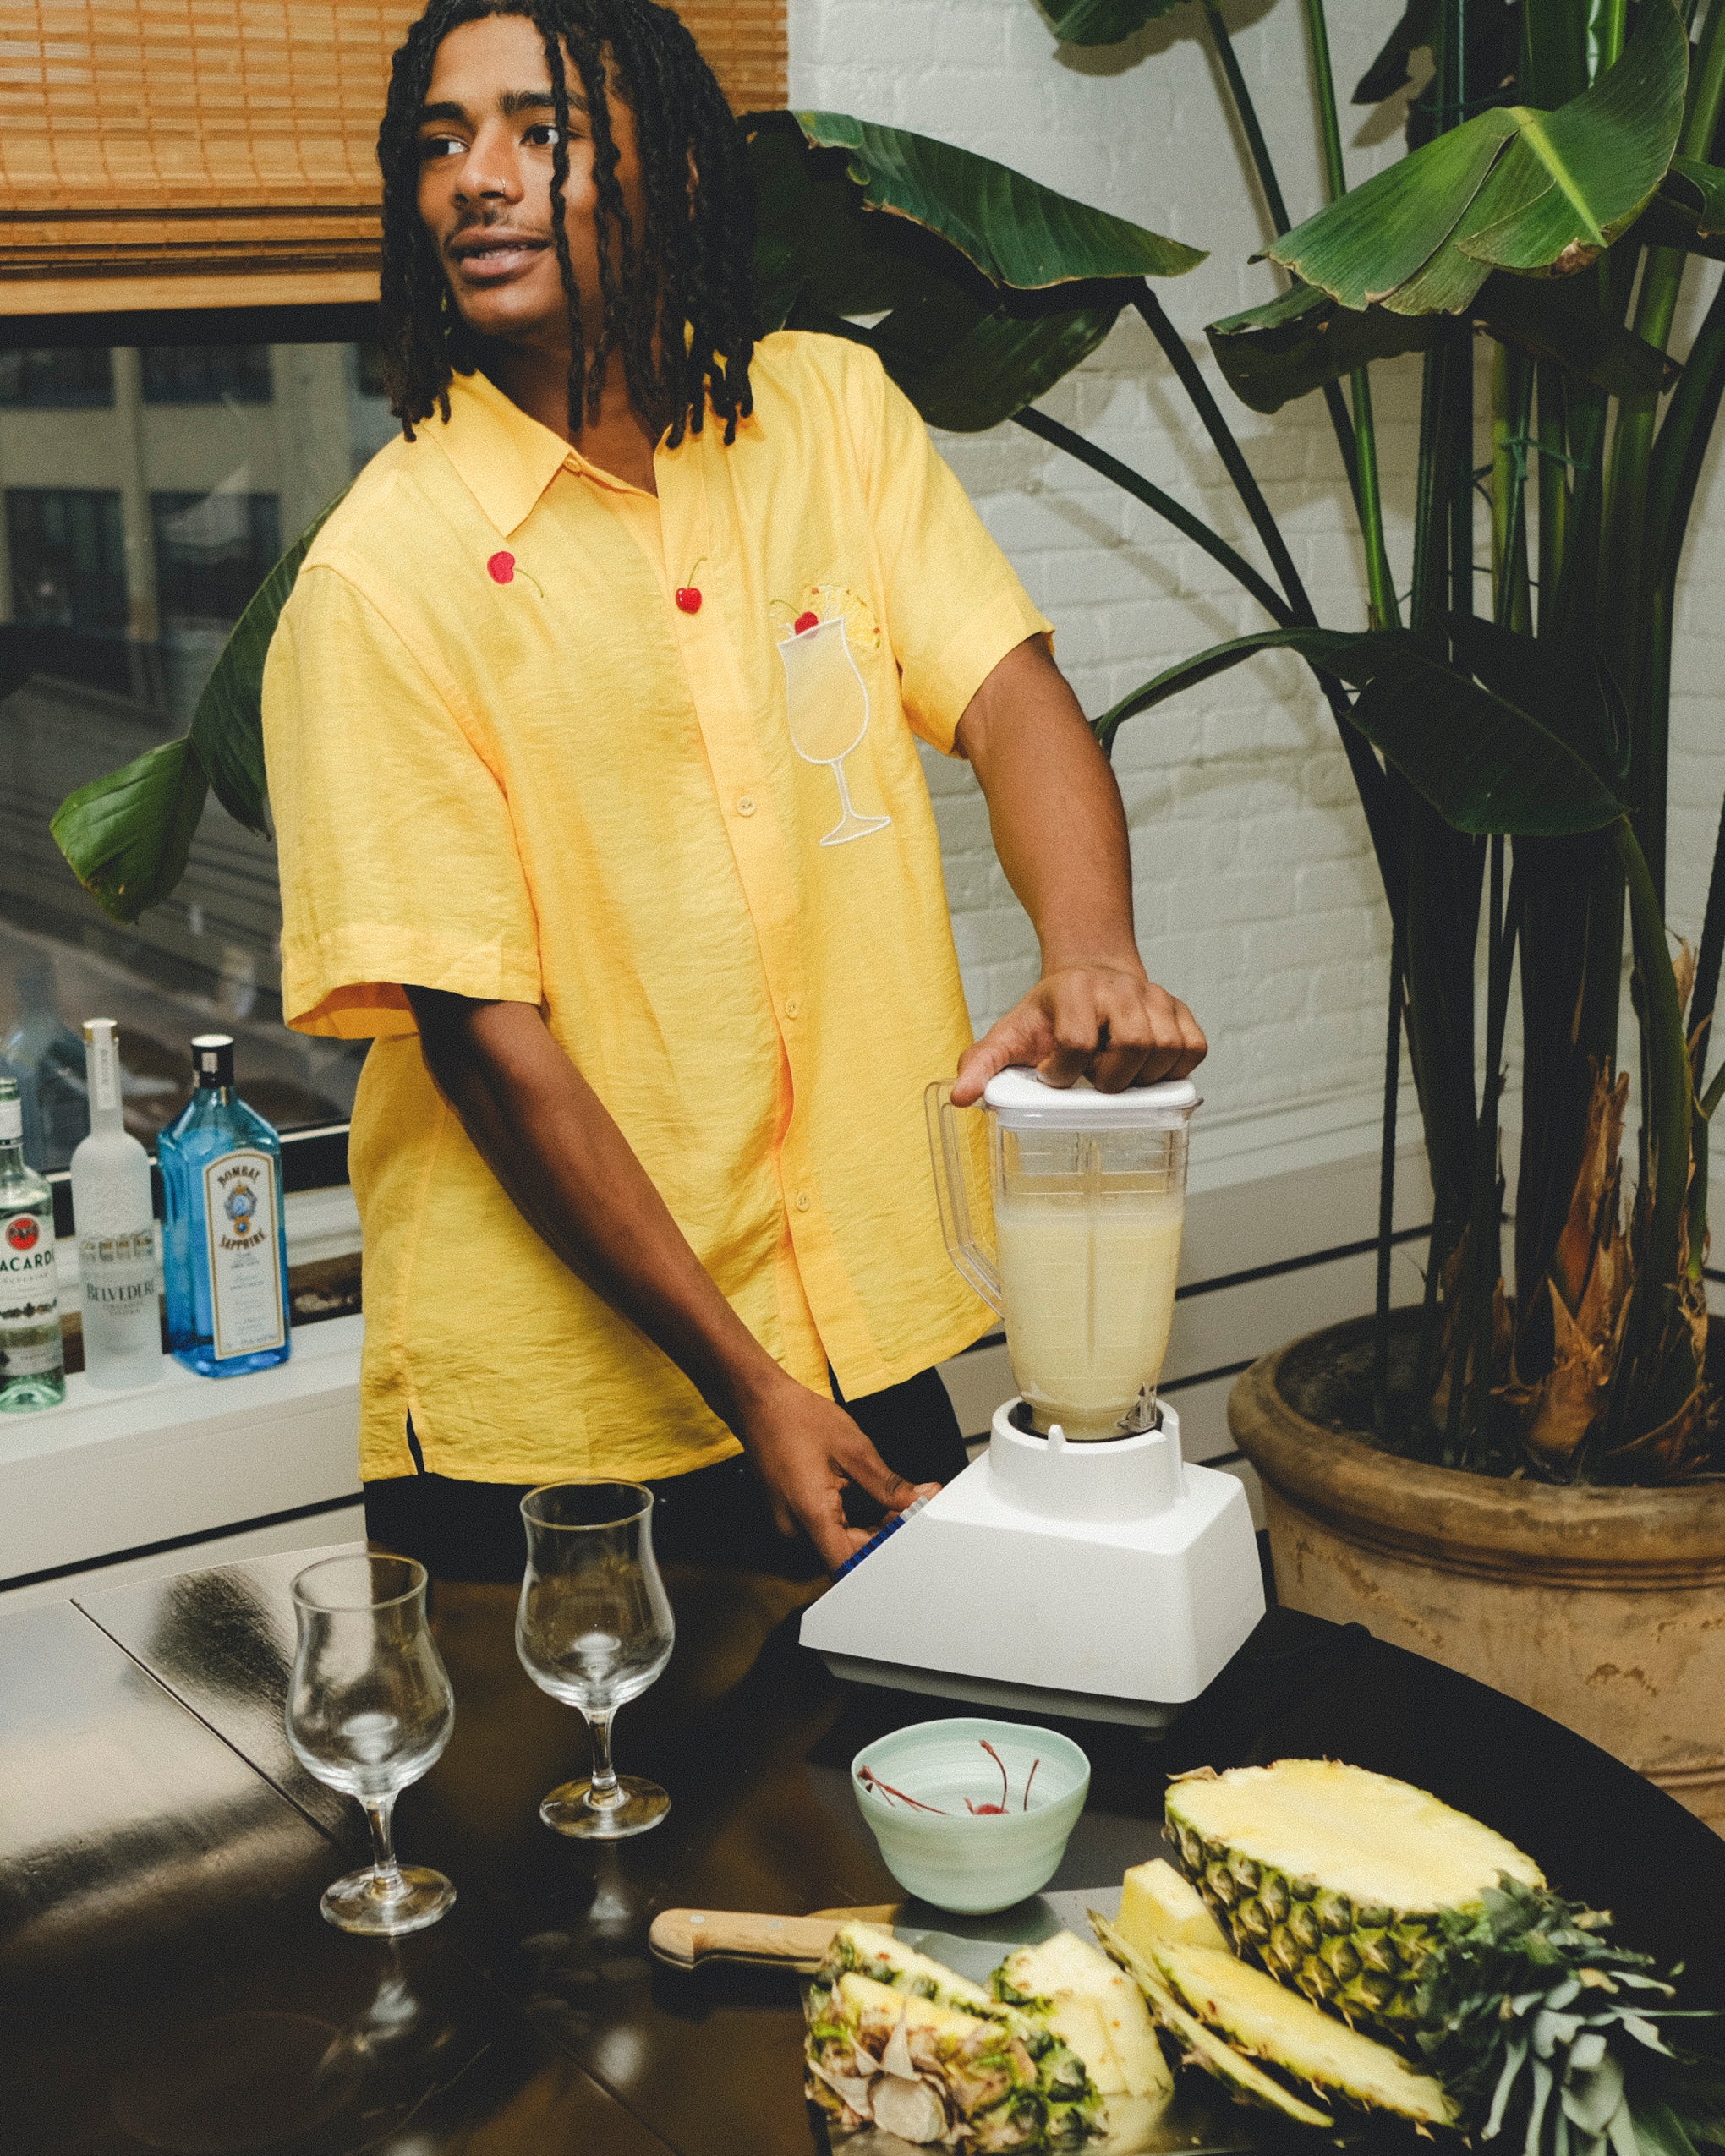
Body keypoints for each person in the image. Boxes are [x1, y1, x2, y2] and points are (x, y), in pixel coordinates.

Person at [261, 0, 1206, 1585]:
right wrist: (751, 1386)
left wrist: (1092, 949)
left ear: (681, 175)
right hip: (550, 1449)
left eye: (537, 131)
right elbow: (485, 1046)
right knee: (584, 1840)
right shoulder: (379, 579)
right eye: (440, 141)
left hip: (858, 1343)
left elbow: (1012, 696)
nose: (474, 180)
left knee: (902, 1802)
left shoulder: (829, 417)